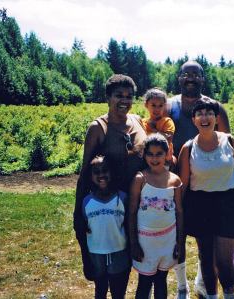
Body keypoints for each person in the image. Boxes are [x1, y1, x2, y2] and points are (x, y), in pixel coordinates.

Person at [74, 74, 147, 286]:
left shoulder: (137, 120)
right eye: (118, 95)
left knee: (130, 261)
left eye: (129, 96)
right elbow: (85, 172)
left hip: (139, 204)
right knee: (104, 267)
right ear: (107, 97)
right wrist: (78, 213)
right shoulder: (98, 128)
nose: (124, 100)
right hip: (111, 206)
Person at [167, 60, 231, 298]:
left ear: (203, 79)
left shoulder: (215, 107)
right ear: (179, 78)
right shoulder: (168, 105)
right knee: (178, 236)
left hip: (207, 186)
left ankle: (203, 283)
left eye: (196, 74)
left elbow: (227, 144)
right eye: (186, 74)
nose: (191, 78)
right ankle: (181, 286)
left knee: (208, 242)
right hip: (176, 183)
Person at [178, 99, 234, 299]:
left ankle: (229, 295)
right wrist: (178, 212)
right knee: (206, 259)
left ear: (216, 118)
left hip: (227, 205)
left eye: (209, 113)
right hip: (200, 206)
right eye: (200, 114)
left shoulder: (230, 141)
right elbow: (183, 184)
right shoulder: (188, 148)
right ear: (194, 120)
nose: (204, 117)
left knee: (224, 261)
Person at [129, 134, 184, 299]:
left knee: (161, 280)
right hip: (145, 242)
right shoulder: (140, 179)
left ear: (167, 154)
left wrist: (179, 243)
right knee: (144, 283)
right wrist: (134, 244)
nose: (154, 158)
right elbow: (132, 213)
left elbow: (179, 212)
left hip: (167, 240)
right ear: (144, 155)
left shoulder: (175, 181)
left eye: (159, 153)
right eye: (150, 154)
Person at [82, 155, 130, 299]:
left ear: (112, 172)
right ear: (90, 176)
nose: (101, 175)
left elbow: (128, 224)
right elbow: (85, 226)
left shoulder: (122, 198)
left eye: (105, 170)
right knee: (100, 289)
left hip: (119, 251)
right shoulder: (87, 201)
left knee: (118, 292)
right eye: (96, 172)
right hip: (96, 253)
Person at [142, 88, 176, 169]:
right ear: (146, 105)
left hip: (164, 161)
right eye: (153, 105)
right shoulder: (142, 122)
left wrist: (154, 129)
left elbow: (168, 139)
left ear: (164, 106)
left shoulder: (167, 121)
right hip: (146, 160)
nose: (157, 109)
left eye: (160, 105)